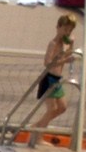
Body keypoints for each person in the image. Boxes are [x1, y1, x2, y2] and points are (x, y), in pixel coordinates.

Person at [24, 11, 77, 139]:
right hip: (49, 79)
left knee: (62, 107)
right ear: (58, 27)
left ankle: (36, 126)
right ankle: (38, 136)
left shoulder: (63, 44)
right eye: (65, 29)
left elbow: (69, 54)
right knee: (51, 108)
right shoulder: (52, 44)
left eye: (69, 31)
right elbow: (47, 63)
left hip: (57, 80)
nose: (67, 33)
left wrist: (72, 44)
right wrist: (65, 60)